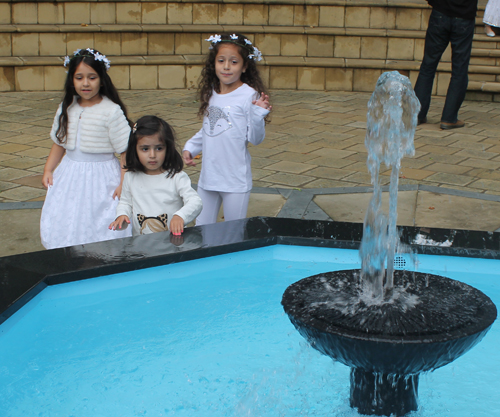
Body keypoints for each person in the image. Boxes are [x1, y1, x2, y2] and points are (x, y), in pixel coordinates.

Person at [40, 48, 132, 249]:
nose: (86, 83)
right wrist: (48, 169)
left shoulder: (111, 110)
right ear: (72, 80)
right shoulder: (67, 107)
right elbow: (59, 143)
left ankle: (98, 253)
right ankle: (69, 248)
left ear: (101, 79)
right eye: (79, 77)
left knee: (96, 214)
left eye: (92, 77)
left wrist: (123, 183)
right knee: (69, 211)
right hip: (70, 172)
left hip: (101, 175)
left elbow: (124, 151)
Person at [182, 33, 271, 225]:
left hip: (235, 180)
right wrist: (190, 147)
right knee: (202, 231)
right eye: (221, 60)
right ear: (213, 64)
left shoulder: (249, 95)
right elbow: (208, 130)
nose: (227, 66)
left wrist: (257, 116)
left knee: (234, 233)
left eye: (234, 62)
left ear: (245, 66)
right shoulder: (211, 93)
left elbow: (255, 139)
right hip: (209, 178)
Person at [109, 116, 202, 236]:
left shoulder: (176, 177)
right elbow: (126, 202)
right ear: (134, 149)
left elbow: (195, 201)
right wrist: (122, 215)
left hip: (173, 244)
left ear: (167, 148)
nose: (152, 155)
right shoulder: (131, 176)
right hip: (142, 246)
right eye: (145, 149)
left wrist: (181, 216)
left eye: (159, 148)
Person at [414, 0, 478, 130]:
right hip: (463, 15)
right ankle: (449, 118)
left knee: (428, 65)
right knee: (459, 69)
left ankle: (417, 114)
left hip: (441, 11)